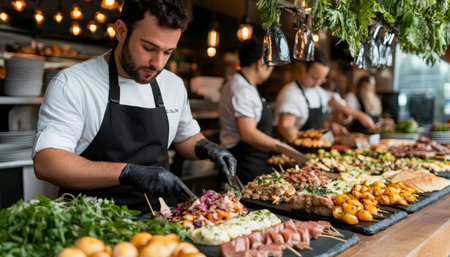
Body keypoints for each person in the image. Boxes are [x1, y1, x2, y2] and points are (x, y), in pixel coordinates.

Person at [32, 0, 236, 213]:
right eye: (148, 48)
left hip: (161, 220)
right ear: (120, 31)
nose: (157, 63)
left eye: (167, 52)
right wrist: (128, 172)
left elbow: (185, 137)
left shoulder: (172, 85)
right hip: (92, 223)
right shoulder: (74, 84)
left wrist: (208, 149)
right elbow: (48, 162)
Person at [274, 50, 376, 143]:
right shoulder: (291, 93)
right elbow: (285, 127)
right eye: (315, 78)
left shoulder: (316, 91)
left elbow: (331, 99)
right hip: (296, 151)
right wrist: (309, 144)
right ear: (304, 70)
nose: (318, 83)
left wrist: (333, 125)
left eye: (322, 79)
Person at [219, 38, 280, 183]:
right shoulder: (242, 89)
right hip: (243, 165)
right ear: (261, 64)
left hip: (251, 163)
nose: (270, 72)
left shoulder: (244, 84)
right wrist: (280, 146)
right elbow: (247, 133)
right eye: (271, 67)